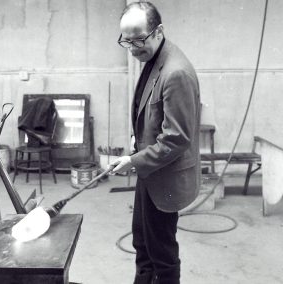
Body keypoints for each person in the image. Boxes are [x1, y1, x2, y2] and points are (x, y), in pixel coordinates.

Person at [111, 2, 201, 283]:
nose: (133, 48)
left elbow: (177, 138)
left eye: (138, 39)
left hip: (166, 179)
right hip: (151, 171)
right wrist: (138, 139)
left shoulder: (176, 72)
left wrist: (133, 161)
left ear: (158, 31)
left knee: (162, 253)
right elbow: (152, 108)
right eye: (126, 40)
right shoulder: (153, 58)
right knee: (143, 244)